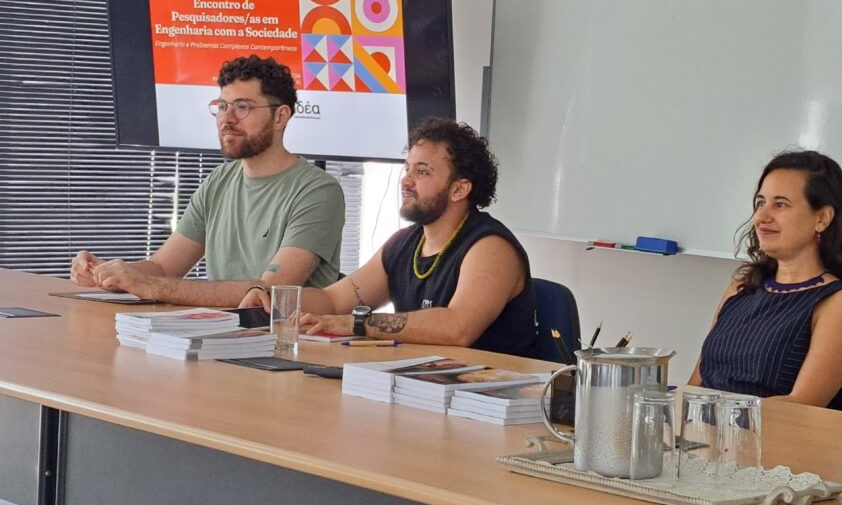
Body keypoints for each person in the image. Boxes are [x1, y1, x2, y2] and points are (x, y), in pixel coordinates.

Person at [242, 118, 538, 357]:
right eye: (407, 168)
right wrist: (275, 300)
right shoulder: (405, 242)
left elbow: (458, 327)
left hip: (487, 407)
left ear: (459, 189)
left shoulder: (490, 247)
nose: (406, 181)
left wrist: (356, 323)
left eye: (422, 172)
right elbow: (334, 300)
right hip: (423, 389)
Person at [70, 55, 345, 306]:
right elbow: (164, 268)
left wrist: (149, 286)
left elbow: (268, 291)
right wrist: (109, 273)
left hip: (284, 348)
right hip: (218, 336)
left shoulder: (318, 191)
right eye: (222, 107)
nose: (227, 119)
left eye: (243, 107)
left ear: (280, 117)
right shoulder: (219, 181)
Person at [689, 150, 842, 407]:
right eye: (760, 203)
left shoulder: (840, 303)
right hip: (708, 437)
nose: (762, 217)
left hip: (773, 441)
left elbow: (800, 408)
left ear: (822, 218)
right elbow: (696, 386)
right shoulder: (742, 287)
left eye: (781, 204)